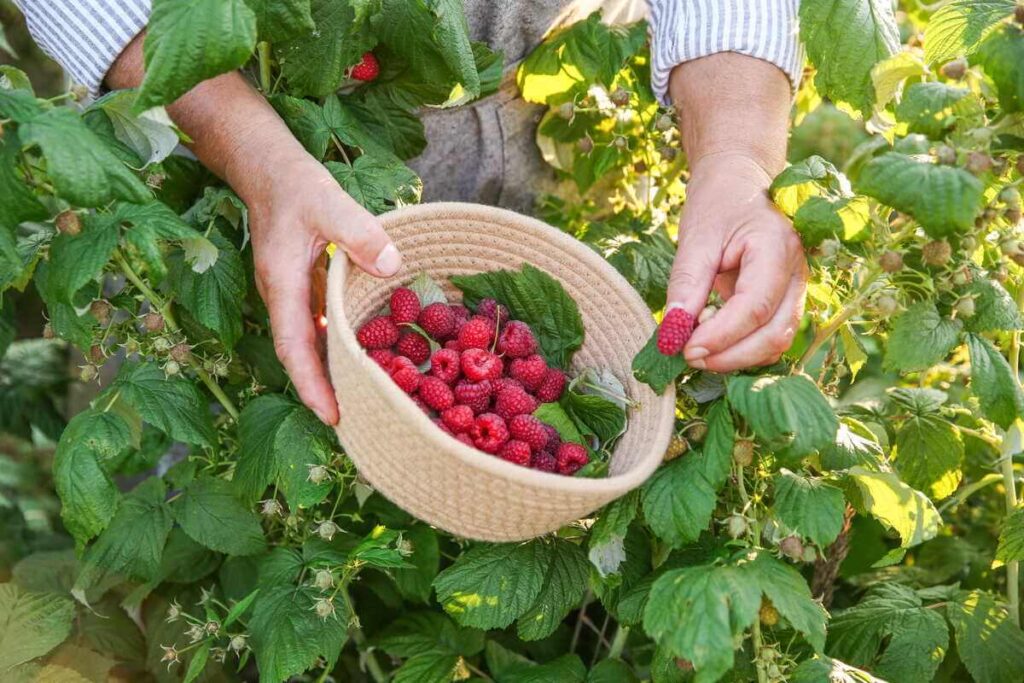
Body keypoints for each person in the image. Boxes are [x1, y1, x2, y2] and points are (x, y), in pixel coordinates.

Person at [15, 0, 808, 426]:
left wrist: (736, 157)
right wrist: (256, 156)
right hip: (210, 120)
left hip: (535, 109)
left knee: (545, 409)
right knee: (194, 434)